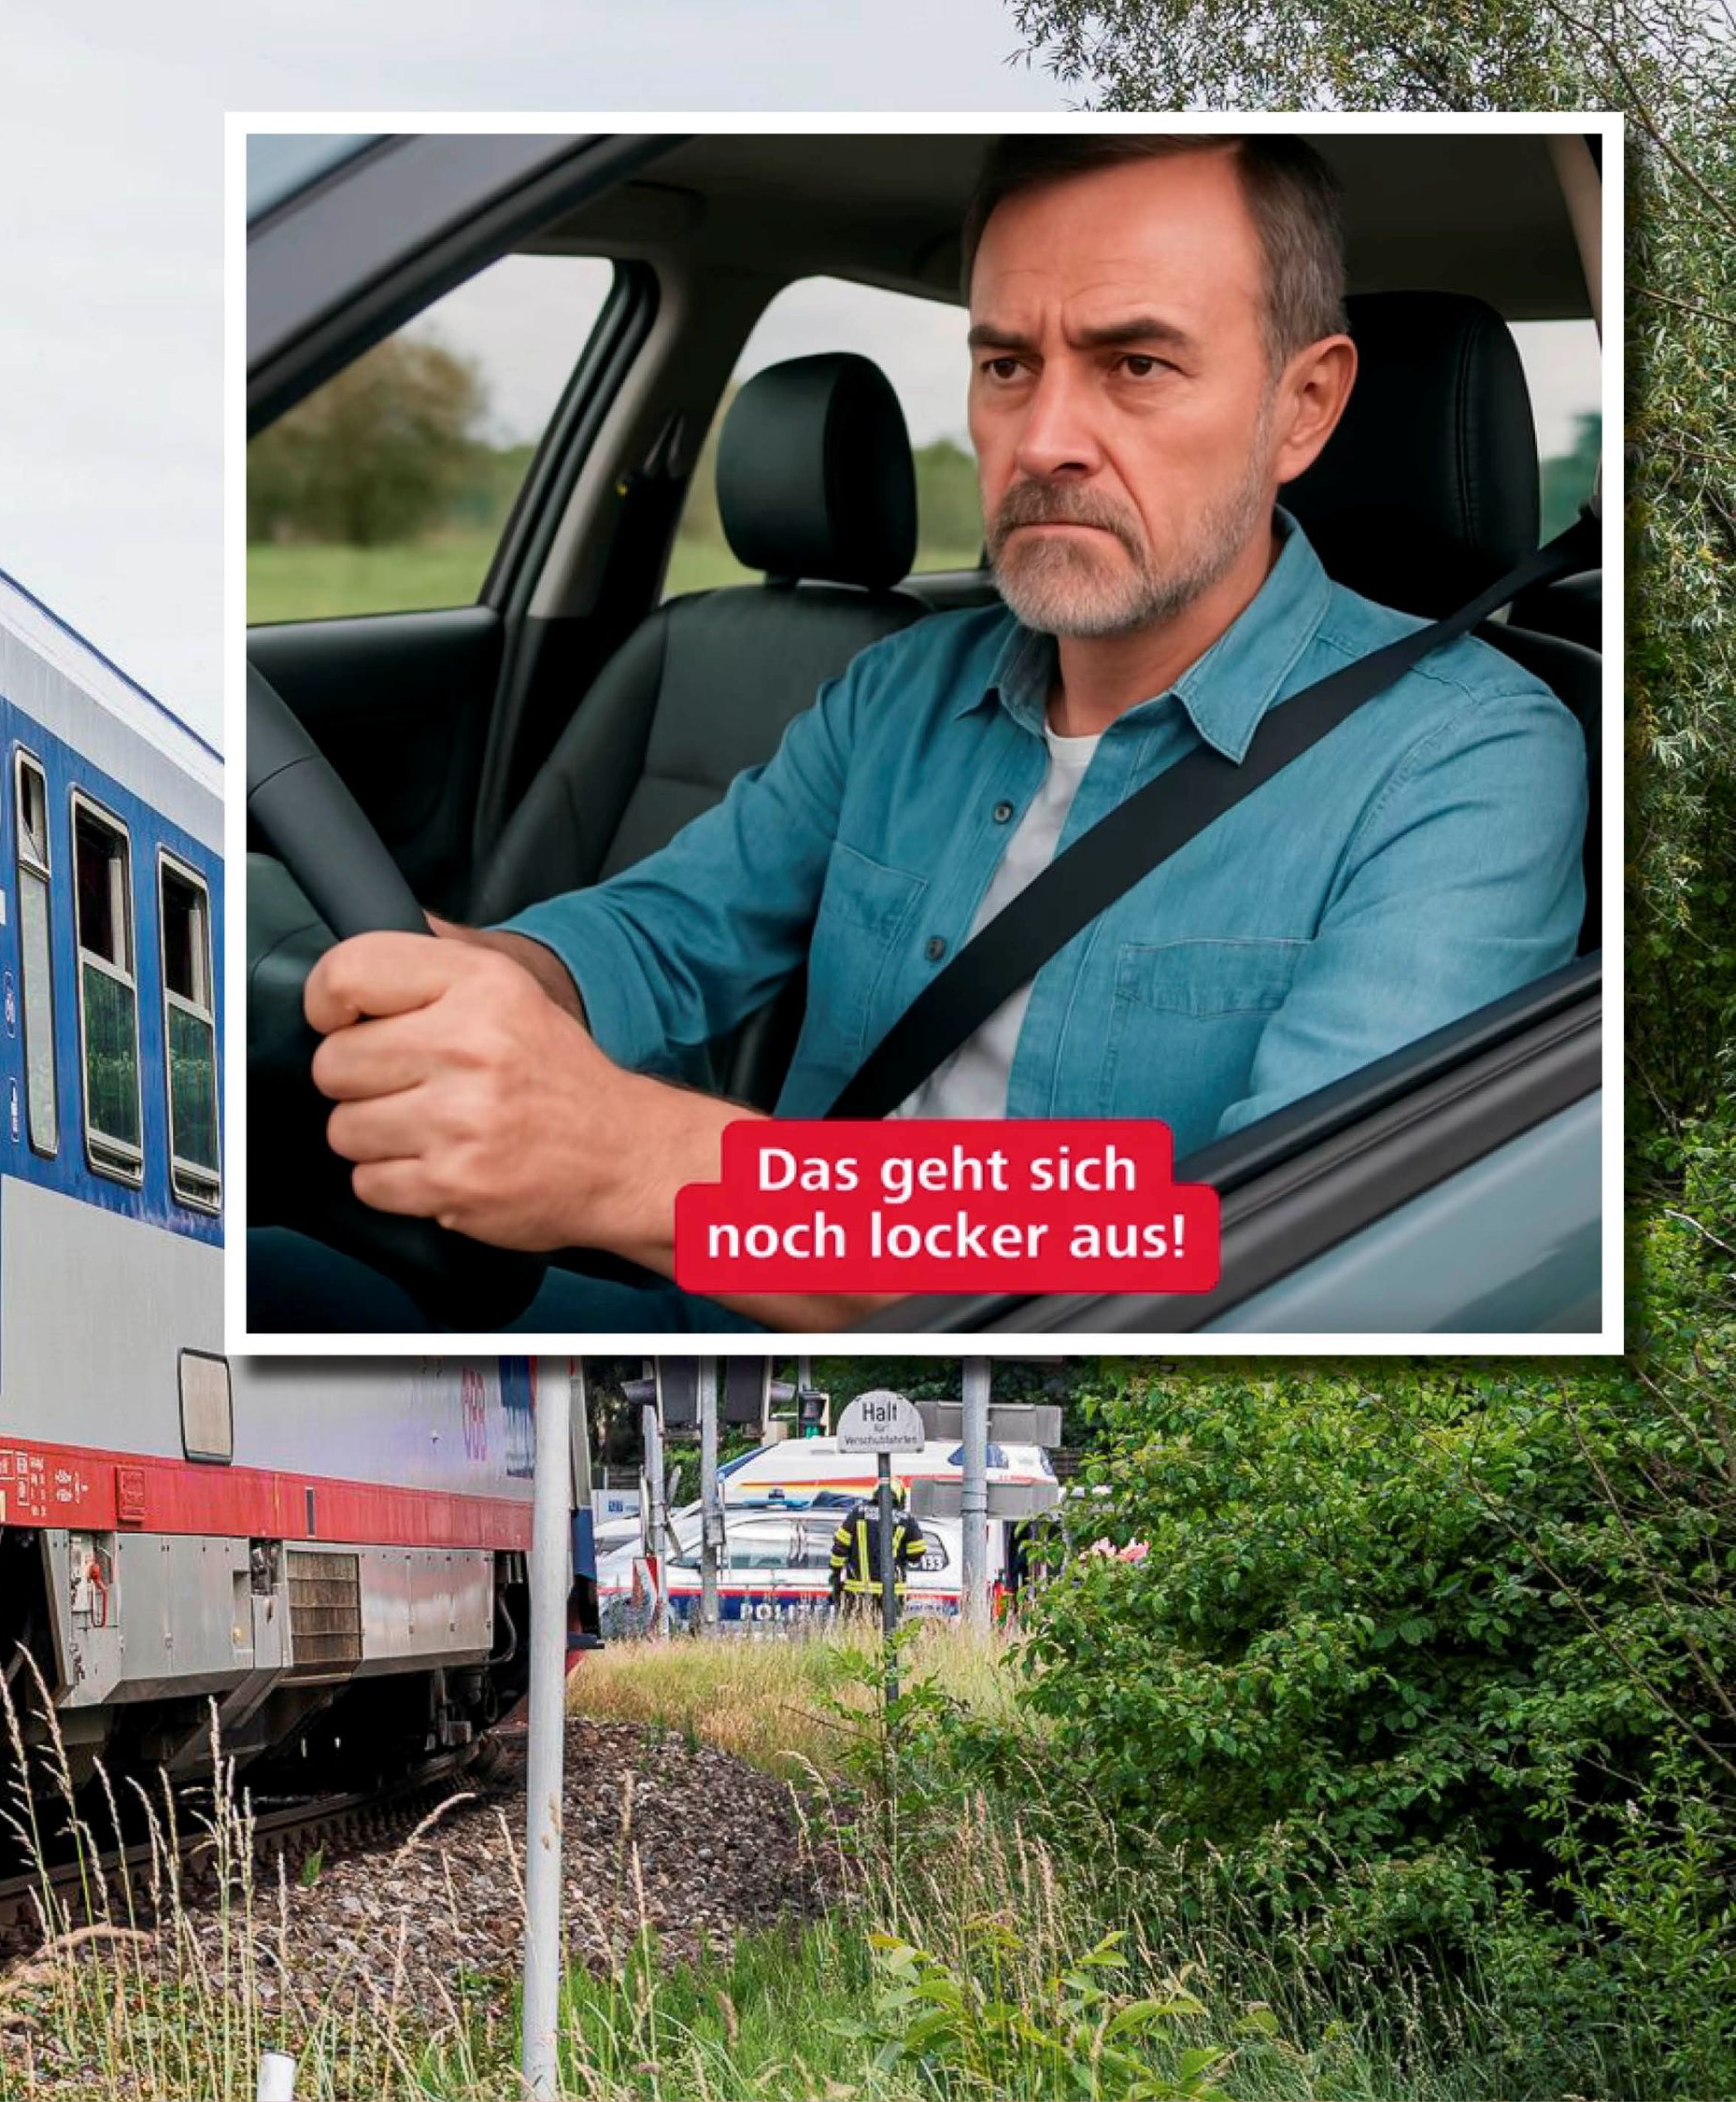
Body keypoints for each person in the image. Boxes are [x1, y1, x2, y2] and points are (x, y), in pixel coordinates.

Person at [298, 135, 1585, 1331]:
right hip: (722, 1328)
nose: (1044, 441)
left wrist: (636, 1161)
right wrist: (487, 989)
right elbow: (665, 933)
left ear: (1303, 407)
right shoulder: (897, 689)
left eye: (1137, 363)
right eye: (1007, 364)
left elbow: (1260, 1243)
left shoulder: (1464, 759)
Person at [826, 1488, 932, 1625]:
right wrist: (902, 1555)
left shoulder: (858, 1514)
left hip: (857, 1590)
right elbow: (917, 1552)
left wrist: (835, 1572)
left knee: (858, 1634)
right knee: (888, 1633)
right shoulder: (906, 1519)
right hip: (891, 1593)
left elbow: (840, 1546)